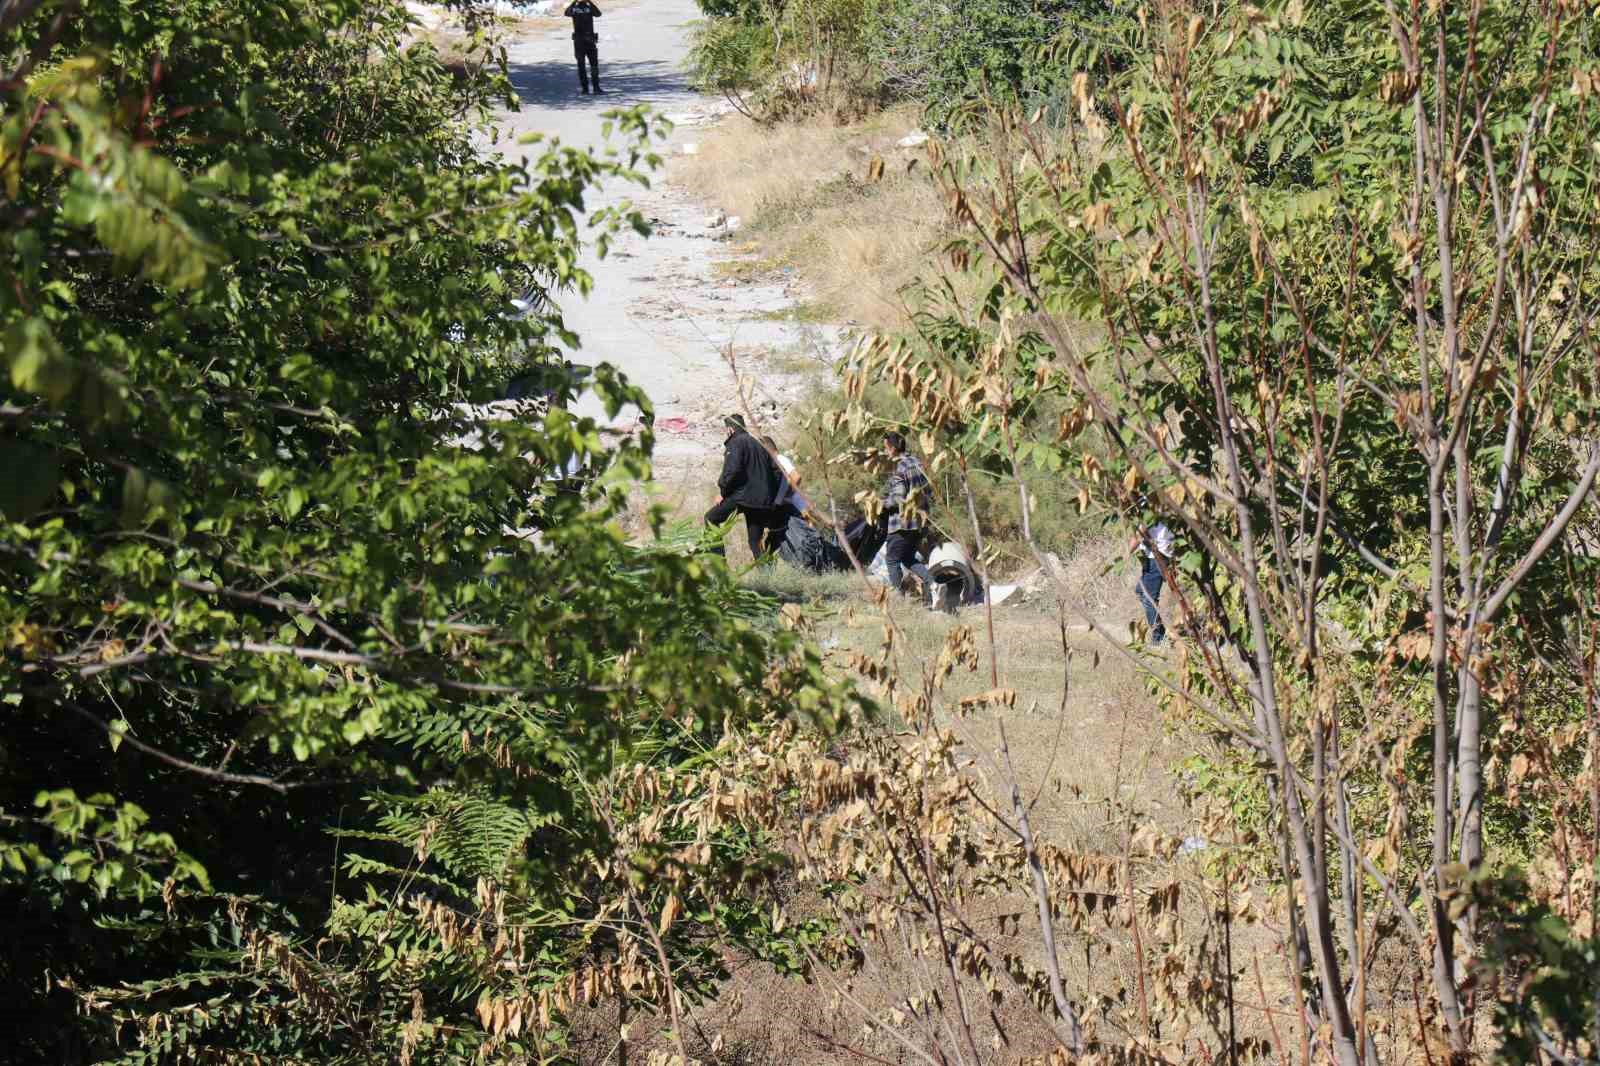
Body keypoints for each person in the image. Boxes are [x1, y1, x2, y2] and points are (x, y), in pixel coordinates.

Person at [705, 414, 786, 560]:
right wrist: (771, 496)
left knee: (711, 519)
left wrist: (723, 492)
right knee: (755, 542)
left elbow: (732, 470)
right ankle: (767, 576)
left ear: (730, 429)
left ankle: (719, 564)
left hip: (742, 497)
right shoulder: (758, 444)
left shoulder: (736, 443)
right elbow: (777, 472)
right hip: (761, 500)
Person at [880, 431, 933, 600]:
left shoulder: (899, 466)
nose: (885, 452)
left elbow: (898, 497)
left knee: (892, 560)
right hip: (919, 522)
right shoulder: (918, 463)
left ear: (893, 448)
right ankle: (935, 585)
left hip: (902, 523)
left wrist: (881, 504)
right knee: (907, 557)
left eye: (886, 448)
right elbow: (929, 490)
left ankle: (899, 599)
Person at [1132, 521, 1175, 644]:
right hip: (1156, 556)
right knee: (1140, 591)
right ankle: (1159, 631)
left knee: (1148, 598)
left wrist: (1125, 554)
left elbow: (1140, 533)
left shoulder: (1145, 504)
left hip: (1158, 556)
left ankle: (1158, 639)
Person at [760, 434, 809, 516]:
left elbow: (796, 477)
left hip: (799, 505)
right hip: (794, 506)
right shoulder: (775, 463)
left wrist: (783, 496)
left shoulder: (780, 459)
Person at [563, 0, 602, 95]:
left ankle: (589, 88)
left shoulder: (576, 9)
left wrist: (575, 2)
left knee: (585, 66)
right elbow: (598, 13)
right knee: (591, 65)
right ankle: (591, 88)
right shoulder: (582, 8)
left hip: (582, 42)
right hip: (586, 41)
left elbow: (598, 14)